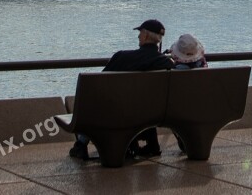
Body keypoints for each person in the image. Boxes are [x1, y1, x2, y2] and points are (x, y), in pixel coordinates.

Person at [69, 19, 174, 160]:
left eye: (140, 33)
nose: (138, 36)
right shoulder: (166, 62)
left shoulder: (122, 57)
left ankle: (81, 145)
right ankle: (151, 145)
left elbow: (99, 84)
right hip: (152, 115)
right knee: (145, 101)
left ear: (146, 36)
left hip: (119, 115)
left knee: (95, 102)